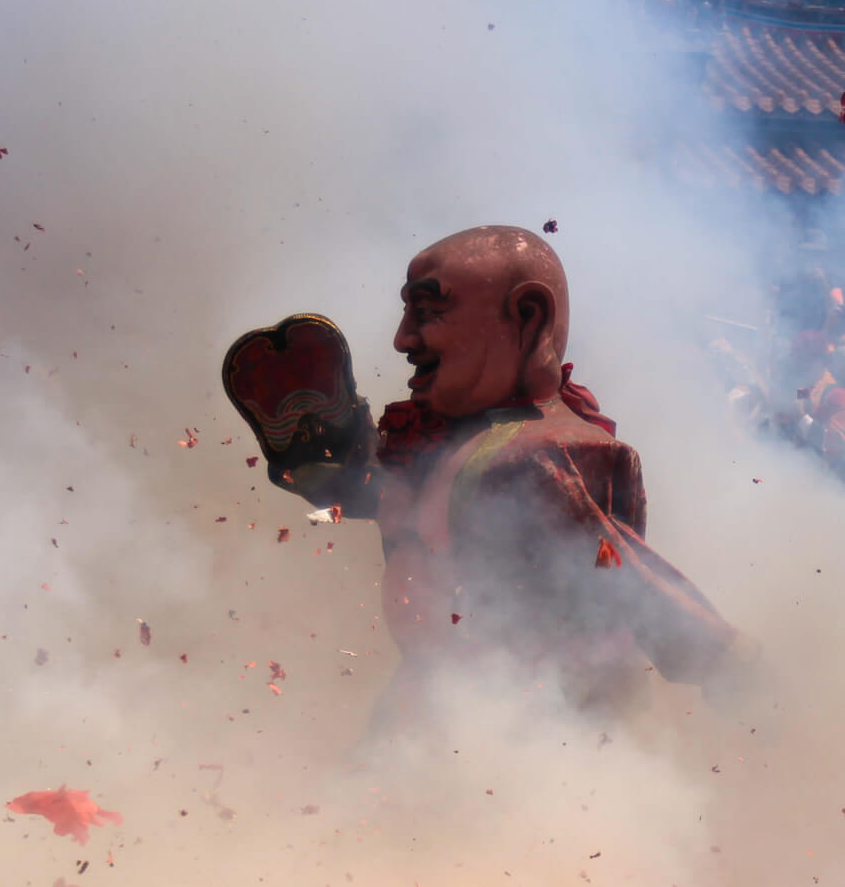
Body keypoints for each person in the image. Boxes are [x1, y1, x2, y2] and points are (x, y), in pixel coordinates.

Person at [224, 226, 749, 714]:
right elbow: (378, 503)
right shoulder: (442, 438)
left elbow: (619, 576)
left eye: (427, 312)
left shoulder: (541, 453)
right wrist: (320, 446)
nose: (402, 340)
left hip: (526, 733)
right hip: (431, 718)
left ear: (527, 316)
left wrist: (735, 671)